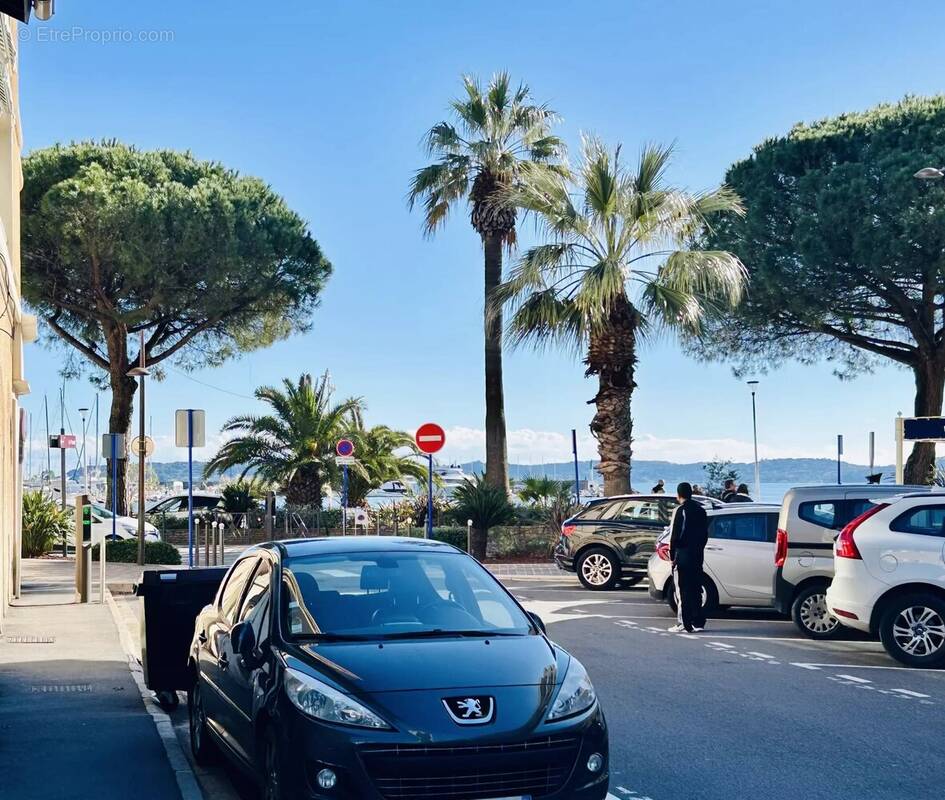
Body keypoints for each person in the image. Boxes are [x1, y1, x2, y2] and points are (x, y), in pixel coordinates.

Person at [668, 482, 709, 633]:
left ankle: (684, 623)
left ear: (678, 495)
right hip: (697, 555)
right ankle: (698, 621)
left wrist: (672, 556)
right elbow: (705, 534)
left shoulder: (680, 511)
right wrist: (699, 548)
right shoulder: (701, 510)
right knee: (696, 588)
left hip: (683, 555)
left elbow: (675, 534)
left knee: (682, 590)